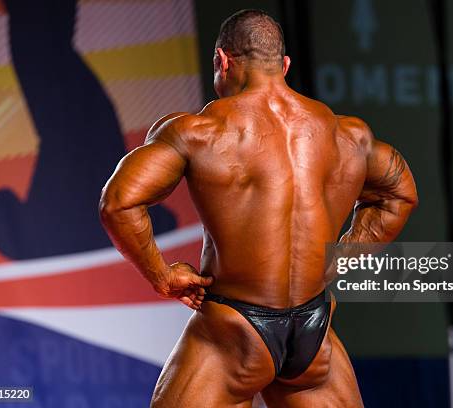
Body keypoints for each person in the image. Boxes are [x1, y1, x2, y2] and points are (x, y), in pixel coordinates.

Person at [100, 9, 417, 408]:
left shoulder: (197, 131)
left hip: (232, 331)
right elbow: (400, 194)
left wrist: (162, 275)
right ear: (284, 65)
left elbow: (119, 203)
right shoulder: (347, 134)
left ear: (222, 61)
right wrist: (344, 255)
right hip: (313, 329)